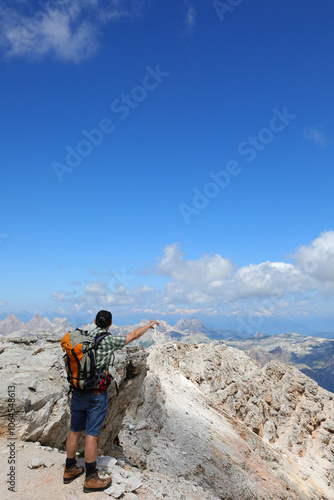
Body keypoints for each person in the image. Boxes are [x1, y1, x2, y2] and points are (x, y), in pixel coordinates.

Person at [63, 310, 159, 493]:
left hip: (77, 390)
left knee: (74, 431)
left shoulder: (82, 337)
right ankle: (90, 478)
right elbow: (133, 335)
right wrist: (148, 325)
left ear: (94, 321)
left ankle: (69, 469)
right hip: (96, 394)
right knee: (92, 435)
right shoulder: (108, 340)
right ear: (110, 323)